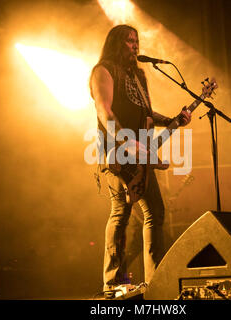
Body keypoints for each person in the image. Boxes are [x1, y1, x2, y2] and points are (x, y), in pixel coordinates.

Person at [89, 24, 191, 298]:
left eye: (136, 40)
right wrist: (126, 141)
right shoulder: (104, 70)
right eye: (128, 41)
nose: (134, 45)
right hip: (116, 155)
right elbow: (104, 111)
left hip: (140, 157)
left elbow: (146, 113)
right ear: (115, 43)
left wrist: (172, 121)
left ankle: (155, 280)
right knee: (120, 211)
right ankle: (111, 282)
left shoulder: (139, 75)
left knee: (155, 211)